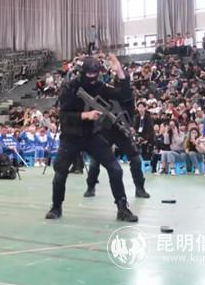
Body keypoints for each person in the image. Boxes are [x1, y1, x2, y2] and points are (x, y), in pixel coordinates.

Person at [45, 55, 138, 222]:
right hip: (71, 136)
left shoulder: (100, 86)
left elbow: (123, 96)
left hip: (91, 135)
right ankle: (56, 207)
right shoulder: (70, 87)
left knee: (115, 168)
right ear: (83, 72)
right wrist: (85, 115)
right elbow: (63, 116)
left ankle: (122, 208)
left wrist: (120, 72)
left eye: (96, 74)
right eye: (89, 74)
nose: (93, 77)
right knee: (60, 172)